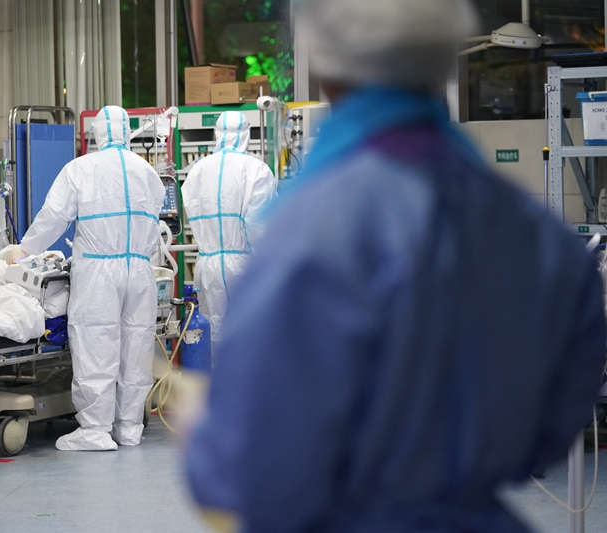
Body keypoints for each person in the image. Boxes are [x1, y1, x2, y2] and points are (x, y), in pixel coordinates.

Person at [184, 1, 607, 532]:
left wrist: (204, 431)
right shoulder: (533, 233)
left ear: (328, 67)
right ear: (442, 57)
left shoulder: (313, 234)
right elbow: (550, 430)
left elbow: (259, 475)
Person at [16, 106, 165, 451]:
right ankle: (129, 428)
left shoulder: (80, 169)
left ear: (96, 133)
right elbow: (156, 222)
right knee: (136, 346)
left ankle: (96, 431)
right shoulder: (147, 171)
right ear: (127, 131)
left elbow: (54, 216)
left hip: (99, 270)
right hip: (139, 270)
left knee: (97, 345)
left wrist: (26, 250)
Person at [181, 111, 277, 349]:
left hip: (207, 265)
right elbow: (259, 227)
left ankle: (213, 386)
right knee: (249, 336)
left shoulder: (197, 170)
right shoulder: (257, 170)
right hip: (243, 265)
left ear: (217, 134)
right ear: (245, 135)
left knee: (210, 334)